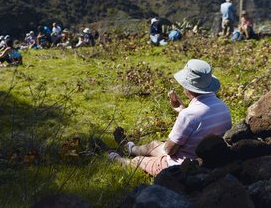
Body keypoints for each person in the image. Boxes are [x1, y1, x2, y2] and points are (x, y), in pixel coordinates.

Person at [95, 59, 231, 176]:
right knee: (153, 144)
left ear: (187, 87)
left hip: (181, 165)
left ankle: (113, 156)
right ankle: (128, 147)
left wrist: (182, 114)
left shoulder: (189, 115)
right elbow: (200, 122)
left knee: (138, 161)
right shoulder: (222, 106)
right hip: (206, 159)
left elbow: (169, 150)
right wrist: (181, 110)